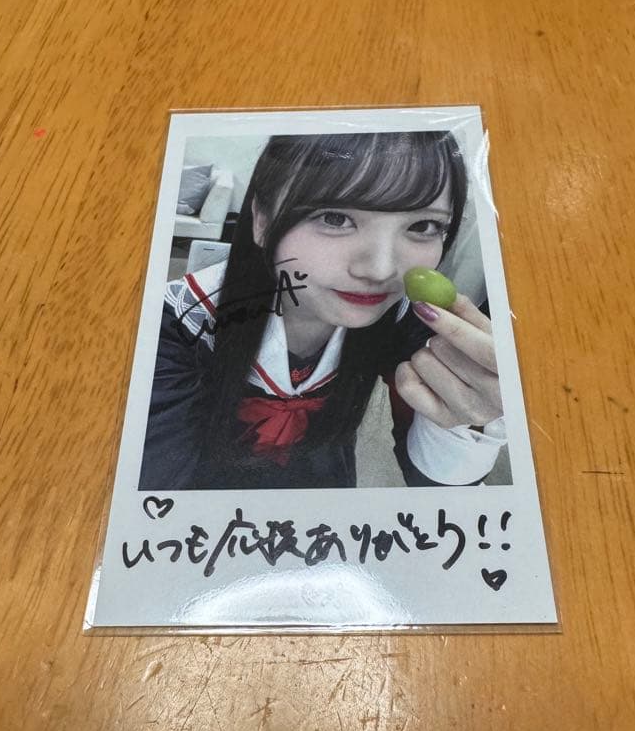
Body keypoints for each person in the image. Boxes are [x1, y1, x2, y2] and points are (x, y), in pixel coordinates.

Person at [139, 130, 506, 490]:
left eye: (423, 226)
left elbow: (436, 486)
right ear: (262, 220)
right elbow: (156, 495)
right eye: (334, 218)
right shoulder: (173, 328)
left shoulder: (407, 322)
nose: (380, 270)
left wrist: (468, 411)